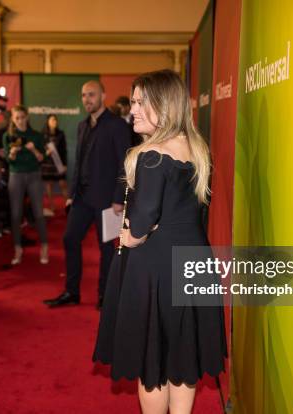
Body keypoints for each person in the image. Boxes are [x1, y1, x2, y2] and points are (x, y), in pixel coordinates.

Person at [93, 70, 227, 413]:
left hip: (155, 271)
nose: (132, 110)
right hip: (195, 263)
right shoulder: (197, 149)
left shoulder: (152, 155)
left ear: (164, 106)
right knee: (183, 355)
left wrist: (131, 236)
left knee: (151, 362)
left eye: (140, 102)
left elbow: (142, 221)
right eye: (133, 102)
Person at [43, 80, 131, 309]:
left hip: (108, 201)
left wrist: (119, 198)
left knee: (106, 249)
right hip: (82, 198)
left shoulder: (117, 125)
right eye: (83, 95)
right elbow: (79, 162)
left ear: (103, 95)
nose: (87, 99)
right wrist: (71, 194)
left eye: (91, 94)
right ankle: (72, 292)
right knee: (70, 239)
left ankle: (105, 296)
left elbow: (125, 165)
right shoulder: (82, 126)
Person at [3, 105, 49, 265]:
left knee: (38, 213)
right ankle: (18, 249)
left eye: (23, 117)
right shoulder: (8, 136)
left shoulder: (36, 135)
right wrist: (12, 153)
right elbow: (9, 161)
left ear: (27, 117)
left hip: (34, 175)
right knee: (16, 215)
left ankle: (44, 247)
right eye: (17, 118)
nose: (20, 121)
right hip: (15, 175)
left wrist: (34, 150)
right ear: (13, 119)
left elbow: (42, 158)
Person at [40, 114, 68, 215]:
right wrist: (45, 152)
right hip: (47, 163)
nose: (54, 121)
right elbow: (40, 148)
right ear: (47, 121)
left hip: (58, 162)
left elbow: (64, 150)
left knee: (63, 184)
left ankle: (68, 205)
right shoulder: (43, 134)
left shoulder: (61, 133)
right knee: (49, 184)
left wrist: (65, 164)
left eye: (55, 120)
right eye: (52, 120)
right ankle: (51, 205)